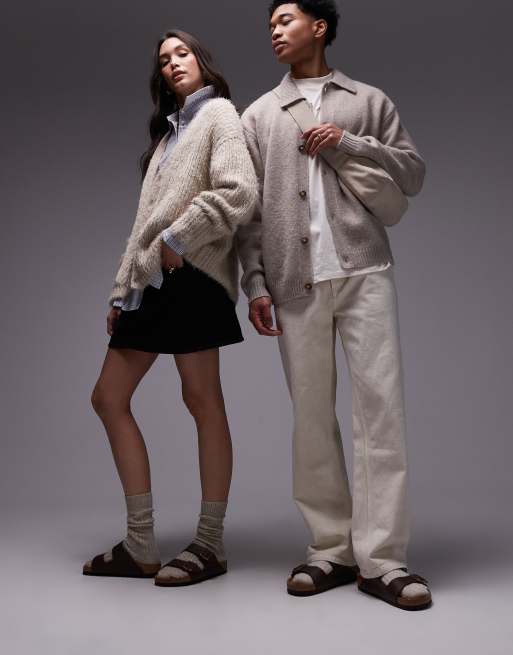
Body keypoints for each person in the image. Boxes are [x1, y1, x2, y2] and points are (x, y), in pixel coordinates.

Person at [236, 0, 432, 610]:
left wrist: (350, 141)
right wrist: (255, 284)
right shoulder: (258, 115)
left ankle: (383, 560)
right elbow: (249, 212)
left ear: (318, 28)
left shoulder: (368, 100)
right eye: (270, 25)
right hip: (294, 280)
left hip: (365, 270)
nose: (274, 31)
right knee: (311, 419)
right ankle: (330, 550)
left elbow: (413, 173)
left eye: (285, 21)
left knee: (381, 414)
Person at [83, 29, 258, 587]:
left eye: (182, 53)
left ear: (202, 61)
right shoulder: (166, 138)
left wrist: (180, 238)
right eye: (164, 59)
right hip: (153, 281)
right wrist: (123, 290)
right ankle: (141, 544)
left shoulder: (221, 114)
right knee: (109, 398)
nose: (173, 63)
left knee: (202, 400)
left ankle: (209, 543)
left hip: (193, 274)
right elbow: (143, 226)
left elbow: (239, 191)